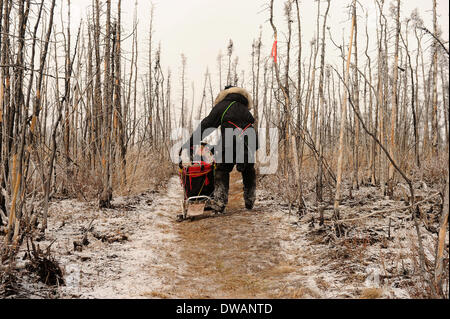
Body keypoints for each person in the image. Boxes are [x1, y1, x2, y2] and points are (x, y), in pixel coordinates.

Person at [181, 85, 258, 213]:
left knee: (222, 169)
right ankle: (250, 200)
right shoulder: (245, 109)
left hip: (229, 141)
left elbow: (206, 126)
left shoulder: (224, 105)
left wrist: (189, 144)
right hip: (248, 141)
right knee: (248, 169)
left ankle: (220, 201)